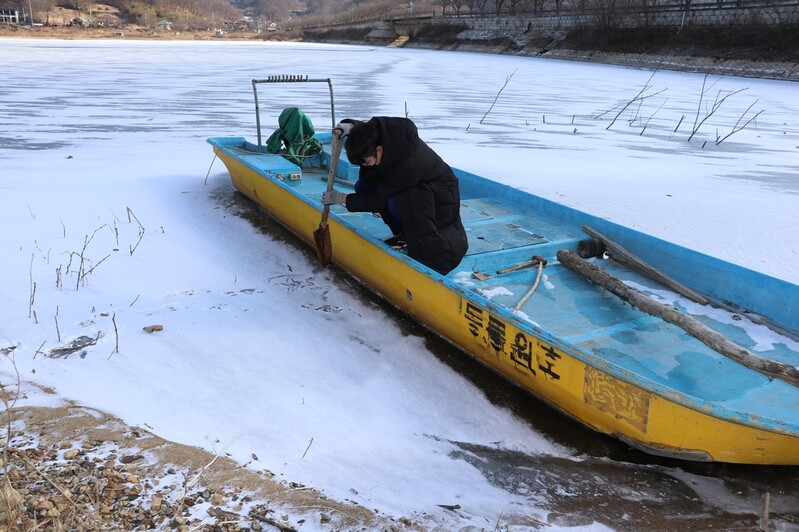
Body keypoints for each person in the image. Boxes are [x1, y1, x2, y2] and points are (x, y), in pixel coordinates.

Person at [322, 117, 468, 275]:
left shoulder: (404, 167)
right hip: (419, 185)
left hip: (440, 196)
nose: (366, 166)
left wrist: (342, 198)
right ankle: (403, 233)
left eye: (367, 162)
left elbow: (377, 201)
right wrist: (351, 126)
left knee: (397, 202)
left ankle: (409, 233)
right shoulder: (385, 135)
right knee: (363, 186)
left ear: (378, 150)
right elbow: (370, 128)